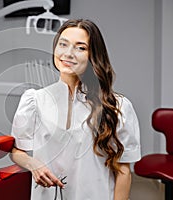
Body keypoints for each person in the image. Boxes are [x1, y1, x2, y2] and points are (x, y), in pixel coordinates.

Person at [10, 19, 141, 200]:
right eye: (63, 45)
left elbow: (123, 170)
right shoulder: (34, 101)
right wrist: (33, 164)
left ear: (93, 55)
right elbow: (18, 151)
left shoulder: (117, 106)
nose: (68, 53)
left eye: (80, 48)